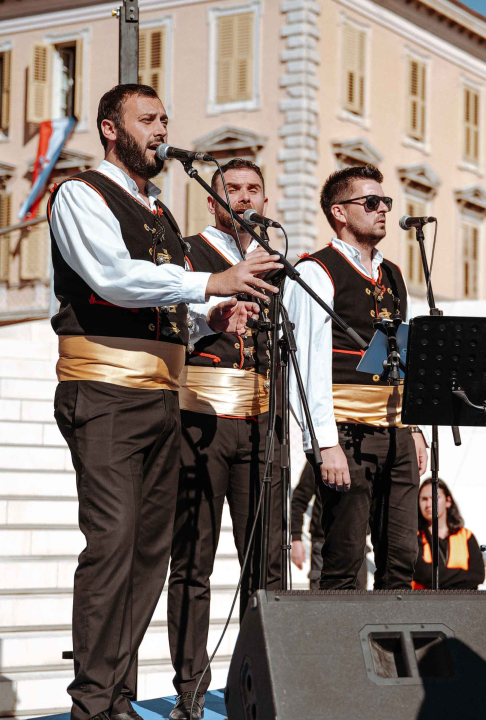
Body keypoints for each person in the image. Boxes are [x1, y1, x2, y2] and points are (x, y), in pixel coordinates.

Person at [48, 84, 279, 720]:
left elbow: (169, 302)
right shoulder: (80, 195)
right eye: (146, 119)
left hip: (163, 398)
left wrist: (213, 316)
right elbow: (112, 278)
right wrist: (210, 280)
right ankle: (92, 704)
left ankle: (117, 697)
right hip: (104, 391)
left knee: (151, 555)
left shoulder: (159, 211)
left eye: (165, 119)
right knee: (112, 545)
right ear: (109, 130)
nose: (160, 129)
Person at [166, 158, 282, 720]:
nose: (244, 197)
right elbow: (169, 320)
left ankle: (258, 683)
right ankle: (190, 687)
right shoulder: (188, 252)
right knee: (194, 559)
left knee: (267, 560)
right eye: (232, 190)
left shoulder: (278, 262)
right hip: (202, 417)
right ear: (213, 202)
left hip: (264, 421)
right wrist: (212, 318)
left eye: (253, 189)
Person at [283, 164, 428, 590]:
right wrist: (324, 445)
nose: (383, 209)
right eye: (371, 202)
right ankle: (340, 656)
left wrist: (414, 425)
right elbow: (305, 365)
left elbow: (400, 355)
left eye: (385, 201)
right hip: (346, 434)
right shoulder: (316, 270)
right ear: (339, 212)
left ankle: (392, 656)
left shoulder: (394, 274)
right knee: (344, 558)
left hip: (396, 432)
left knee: (402, 558)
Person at [289, 462, 368, 588]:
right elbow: (299, 500)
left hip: (357, 543)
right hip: (323, 544)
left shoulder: (364, 458)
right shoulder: (319, 457)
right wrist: (296, 539)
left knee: (357, 600)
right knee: (322, 600)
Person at [412, 478, 485, 589]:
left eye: (434, 498)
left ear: (448, 501)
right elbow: (423, 573)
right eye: (424, 499)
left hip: (463, 604)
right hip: (425, 604)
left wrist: (440, 578)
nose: (428, 504)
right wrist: (462, 575)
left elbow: (477, 575)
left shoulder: (466, 536)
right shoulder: (414, 537)